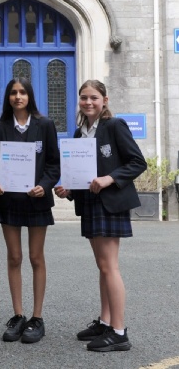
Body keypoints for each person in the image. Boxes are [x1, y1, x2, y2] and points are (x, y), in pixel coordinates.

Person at [54, 79, 146, 352]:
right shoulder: (79, 133)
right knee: (103, 266)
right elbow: (81, 175)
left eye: (94, 97)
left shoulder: (114, 126)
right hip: (91, 204)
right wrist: (68, 190)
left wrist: (110, 178)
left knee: (109, 266)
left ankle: (119, 332)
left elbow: (137, 162)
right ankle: (106, 321)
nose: (88, 102)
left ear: (104, 100)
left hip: (110, 204)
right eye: (84, 97)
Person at [0, 77, 60, 344]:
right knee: (14, 257)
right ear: (8, 97)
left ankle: (37, 317)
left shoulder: (45, 125)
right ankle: (18, 315)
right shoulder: (1, 127)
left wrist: (45, 185)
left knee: (35, 257)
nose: (18, 97)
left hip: (36, 201)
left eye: (22, 92)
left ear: (29, 96)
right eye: (13, 93)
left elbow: (53, 163)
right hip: (9, 200)